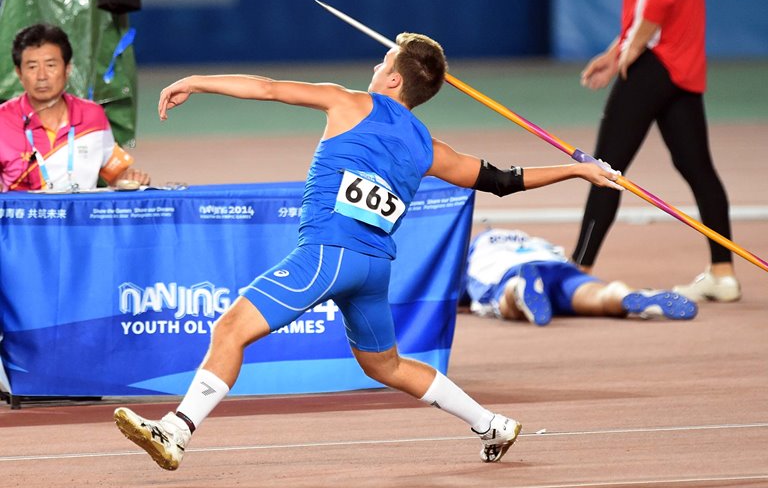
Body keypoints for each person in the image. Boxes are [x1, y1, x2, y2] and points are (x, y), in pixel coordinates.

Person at [113, 32, 623, 470]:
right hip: (373, 268)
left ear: (395, 80)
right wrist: (578, 169)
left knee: (230, 329)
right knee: (385, 366)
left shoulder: (349, 101)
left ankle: (175, 431)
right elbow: (504, 181)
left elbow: (266, 88)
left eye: (383, 62)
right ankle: (491, 424)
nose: (376, 68)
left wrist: (194, 81)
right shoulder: (430, 149)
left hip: (328, 254)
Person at [572, 0, 740, 303]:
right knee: (696, 167)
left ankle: (578, 271)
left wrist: (632, 49)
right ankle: (723, 273)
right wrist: (617, 52)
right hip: (681, 64)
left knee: (605, 168)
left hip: (656, 63)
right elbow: (651, 1)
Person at [0, 23, 150, 192]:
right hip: (25, 218)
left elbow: (116, 173)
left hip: (81, 217)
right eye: (32, 67)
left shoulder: (92, 116)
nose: (42, 76)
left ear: (67, 69)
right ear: (19, 73)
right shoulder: (2, 120)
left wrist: (129, 178)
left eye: (50, 65)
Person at [465, 227, 697, 326]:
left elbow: (446, 290)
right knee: (598, 295)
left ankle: (518, 290)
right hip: (558, 267)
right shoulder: (533, 240)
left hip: (509, 271)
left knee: (506, 302)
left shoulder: (474, 249)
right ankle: (627, 295)